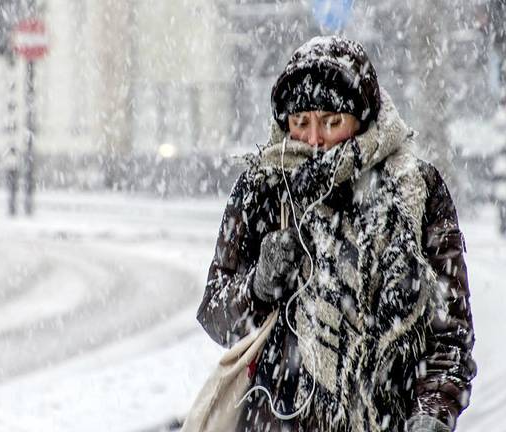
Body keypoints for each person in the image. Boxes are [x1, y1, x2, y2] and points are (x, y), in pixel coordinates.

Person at [197, 36, 476, 432]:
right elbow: (216, 314)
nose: (314, 139)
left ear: (362, 117)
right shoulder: (263, 188)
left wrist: (431, 413)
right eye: (300, 123)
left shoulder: (415, 189)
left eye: (331, 122)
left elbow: (450, 336)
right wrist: (257, 287)